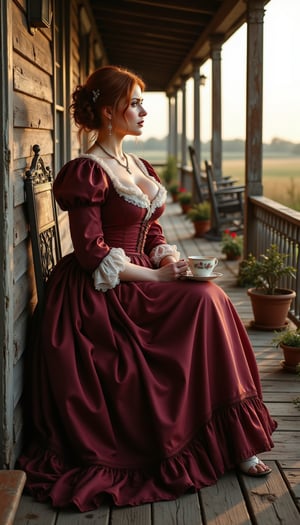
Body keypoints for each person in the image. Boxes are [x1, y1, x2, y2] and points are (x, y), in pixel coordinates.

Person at [18, 65, 277, 512]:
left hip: (139, 274)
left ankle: (234, 441)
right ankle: (225, 441)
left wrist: (168, 257)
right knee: (205, 303)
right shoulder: (89, 170)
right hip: (99, 292)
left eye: (142, 102)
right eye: (134, 102)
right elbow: (91, 253)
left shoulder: (136, 165)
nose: (143, 110)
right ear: (107, 111)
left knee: (210, 298)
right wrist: (157, 277)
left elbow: (150, 231)